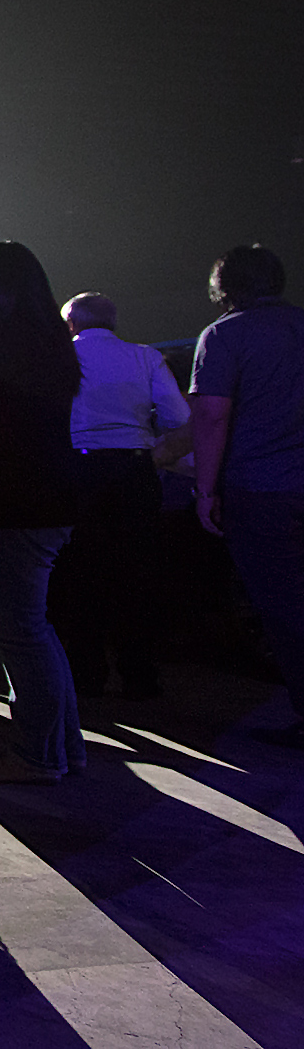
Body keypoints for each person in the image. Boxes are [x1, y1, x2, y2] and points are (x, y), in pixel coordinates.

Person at [0, 242, 84, 784]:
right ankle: (63, 748)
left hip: (12, 506)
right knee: (35, 629)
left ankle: (36, 756)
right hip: (50, 500)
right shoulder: (49, 345)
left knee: (17, 632)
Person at [189, 244, 304, 749]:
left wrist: (205, 489)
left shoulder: (224, 335)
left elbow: (212, 416)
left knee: (283, 607)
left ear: (224, 287)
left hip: (261, 489)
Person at [49, 291, 189, 699]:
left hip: (79, 470)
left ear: (70, 323)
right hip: (134, 470)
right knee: (137, 572)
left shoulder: (60, 357)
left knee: (80, 572)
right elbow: (178, 417)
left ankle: (85, 673)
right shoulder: (145, 356)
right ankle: (139, 675)